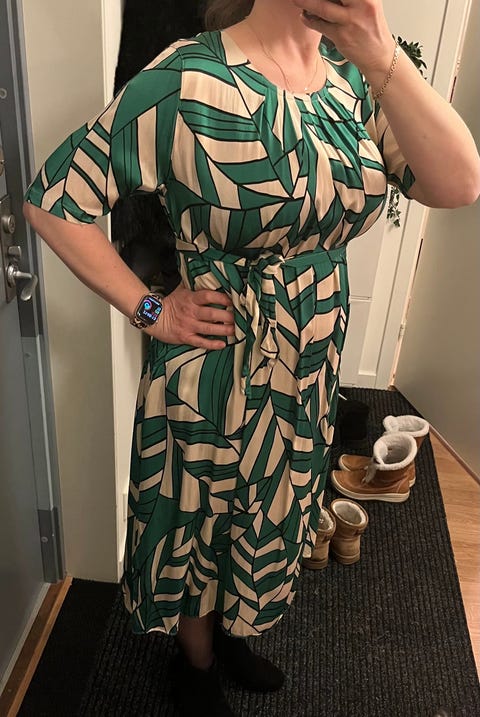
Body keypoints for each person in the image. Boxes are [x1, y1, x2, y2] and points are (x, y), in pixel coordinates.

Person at [23, 1, 480, 715]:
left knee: (273, 503)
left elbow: (458, 183)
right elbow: (54, 202)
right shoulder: (187, 79)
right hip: (215, 359)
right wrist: (152, 308)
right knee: (201, 515)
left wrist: (381, 54)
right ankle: (196, 662)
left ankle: (235, 630)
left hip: (308, 358)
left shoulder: (353, 79)